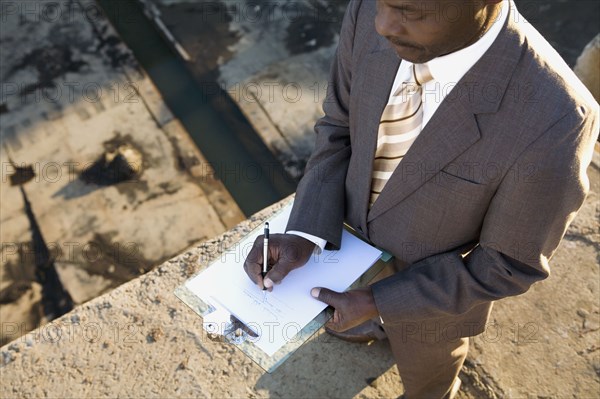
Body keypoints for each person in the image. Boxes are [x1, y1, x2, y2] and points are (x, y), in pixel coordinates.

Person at [244, 0, 599, 397]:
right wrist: (305, 232)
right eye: (383, 4)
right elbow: (339, 127)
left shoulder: (557, 120)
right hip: (349, 254)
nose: (381, 25)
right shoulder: (369, 13)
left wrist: (383, 300)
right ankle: (373, 322)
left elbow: (507, 265)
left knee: (428, 374)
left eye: (410, 12)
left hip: (436, 304)